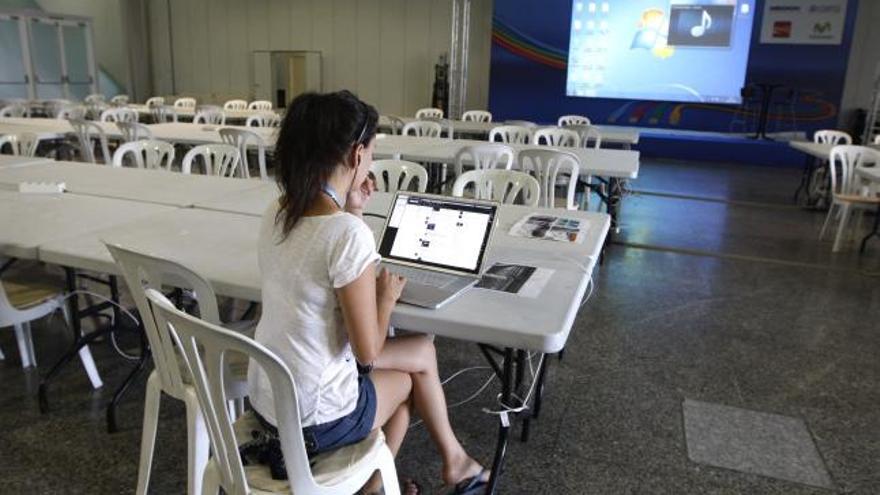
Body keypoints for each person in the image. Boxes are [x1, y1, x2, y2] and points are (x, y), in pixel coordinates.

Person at [247, 90, 489, 495]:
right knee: (408, 383)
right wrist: (386, 297)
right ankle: (395, 480)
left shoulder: (279, 209)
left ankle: (430, 469)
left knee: (421, 351)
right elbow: (367, 353)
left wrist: (354, 207)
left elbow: (326, 251)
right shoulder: (346, 234)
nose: (371, 162)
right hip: (314, 418)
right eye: (372, 153)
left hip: (272, 398)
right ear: (357, 156)